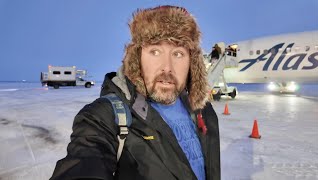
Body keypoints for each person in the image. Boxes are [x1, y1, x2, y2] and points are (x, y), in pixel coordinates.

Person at [50, 5, 220, 180]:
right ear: (137, 58)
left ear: (192, 63)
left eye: (178, 54)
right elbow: (85, 159)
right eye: (155, 51)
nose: (167, 67)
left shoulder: (203, 110)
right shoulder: (107, 116)